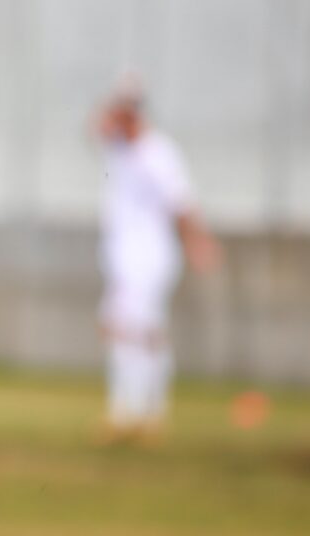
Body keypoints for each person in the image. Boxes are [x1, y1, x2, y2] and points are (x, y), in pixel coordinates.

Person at [95, 79, 219, 442]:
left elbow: (181, 203)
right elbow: (95, 129)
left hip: (149, 258)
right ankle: (128, 410)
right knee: (121, 327)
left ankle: (146, 410)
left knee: (142, 329)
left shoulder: (158, 153)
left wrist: (198, 242)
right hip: (122, 259)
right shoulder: (120, 149)